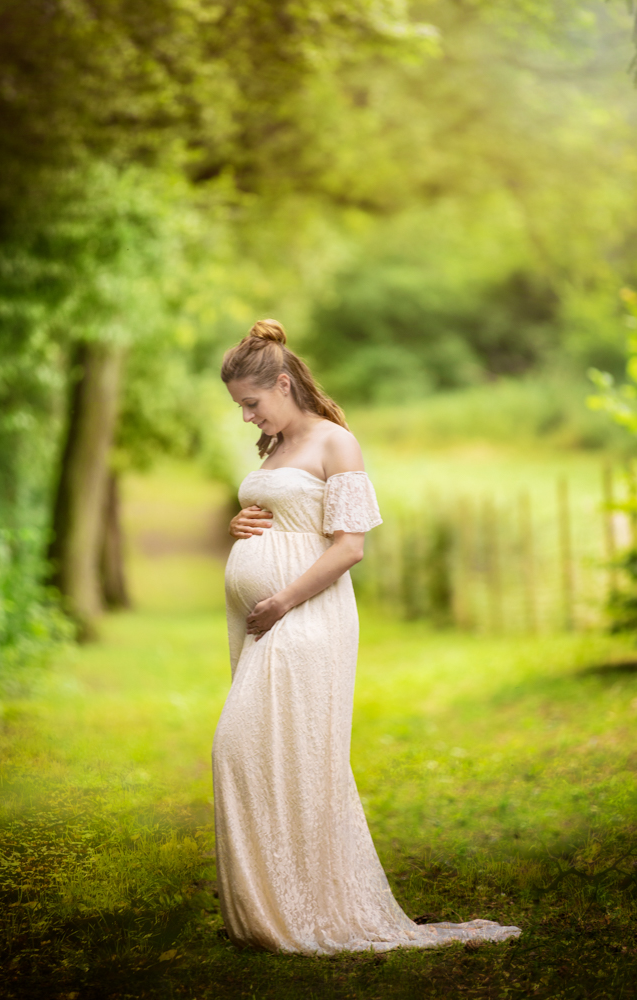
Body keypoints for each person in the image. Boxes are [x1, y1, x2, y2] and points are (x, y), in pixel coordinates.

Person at [212, 319, 521, 955]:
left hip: (309, 615)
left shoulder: (336, 444)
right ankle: (272, 909)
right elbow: (286, 520)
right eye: (239, 407)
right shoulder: (271, 449)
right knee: (256, 755)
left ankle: (303, 909)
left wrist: (281, 602)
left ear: (283, 382)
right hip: (272, 616)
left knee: (250, 749)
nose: (246, 418)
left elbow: (349, 547)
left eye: (251, 403)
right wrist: (243, 524)